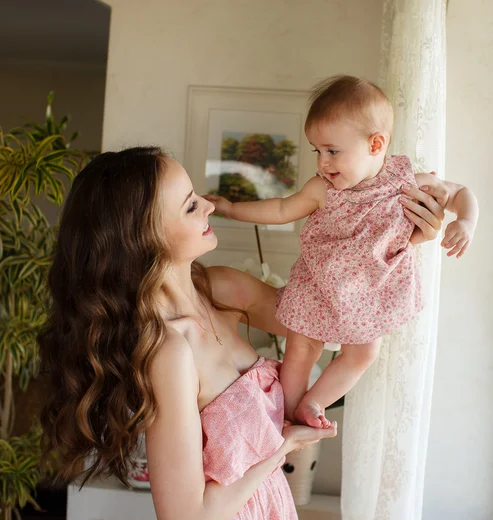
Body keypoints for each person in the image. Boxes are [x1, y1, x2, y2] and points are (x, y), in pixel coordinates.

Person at [39, 146, 445, 520]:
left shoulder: (222, 290)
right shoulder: (167, 352)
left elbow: (334, 322)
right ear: (143, 235)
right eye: (192, 204)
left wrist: (400, 243)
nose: (211, 205)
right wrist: (282, 446)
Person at [205, 75, 479, 431]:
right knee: (302, 349)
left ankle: (314, 401)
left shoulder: (406, 178)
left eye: (332, 151)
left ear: (376, 144)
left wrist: (467, 222)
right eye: (317, 150)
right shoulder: (322, 189)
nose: (322, 162)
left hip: (370, 291)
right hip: (318, 284)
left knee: (365, 353)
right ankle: (287, 416)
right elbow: (279, 210)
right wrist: (230, 207)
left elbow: (459, 193)